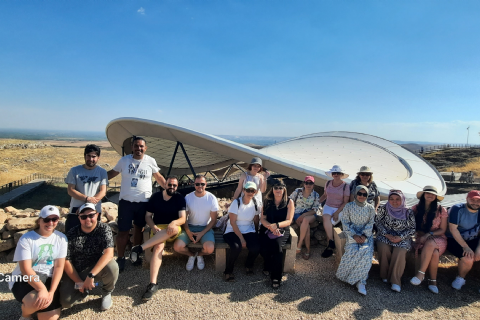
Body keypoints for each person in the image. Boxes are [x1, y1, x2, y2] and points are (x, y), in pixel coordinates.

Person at [107, 136, 166, 272]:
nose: (138, 148)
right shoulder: (124, 160)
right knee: (123, 231)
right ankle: (121, 258)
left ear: (145, 148)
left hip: (143, 202)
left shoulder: (150, 161)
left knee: (139, 229)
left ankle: (135, 255)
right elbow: (112, 173)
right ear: (132, 147)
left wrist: (170, 189)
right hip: (126, 202)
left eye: (141, 146)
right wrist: (97, 177)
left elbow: (159, 177)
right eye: (136, 146)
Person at [129, 176, 186, 301]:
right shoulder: (156, 197)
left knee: (174, 229)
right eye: (170, 185)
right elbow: (148, 216)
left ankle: (140, 248)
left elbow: (183, 218)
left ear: (177, 186)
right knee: (158, 246)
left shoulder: (179, 198)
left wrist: (174, 223)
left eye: (175, 186)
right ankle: (153, 284)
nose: (172, 187)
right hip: (158, 228)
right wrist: (153, 227)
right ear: (165, 185)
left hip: (173, 228)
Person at [9, 205, 67, 320]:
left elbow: (59, 267)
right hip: (26, 278)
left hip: (48, 278)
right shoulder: (27, 239)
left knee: (50, 317)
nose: (51, 223)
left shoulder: (61, 238)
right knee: (35, 301)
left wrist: (51, 291)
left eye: (54, 219)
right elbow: (25, 269)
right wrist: (42, 289)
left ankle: (40, 305)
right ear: (39, 220)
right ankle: (26, 315)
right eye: (47, 219)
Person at [60, 203, 118, 311]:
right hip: (77, 271)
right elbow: (66, 261)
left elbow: (109, 253)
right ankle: (84, 290)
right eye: (83, 216)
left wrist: (91, 276)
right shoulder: (72, 233)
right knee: (66, 302)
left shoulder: (104, 229)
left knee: (112, 266)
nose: (88, 219)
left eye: (91, 215)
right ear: (79, 218)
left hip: (95, 269)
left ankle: (107, 292)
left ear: (97, 214)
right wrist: (79, 281)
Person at [173, 175, 219, 271]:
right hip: (190, 226)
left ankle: (200, 255)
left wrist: (202, 233)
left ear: (206, 184)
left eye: (202, 184)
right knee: (177, 247)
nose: (200, 186)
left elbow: (214, 220)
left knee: (210, 249)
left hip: (205, 227)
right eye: (197, 184)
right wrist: (188, 232)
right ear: (194, 185)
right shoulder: (188, 197)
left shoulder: (211, 198)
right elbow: (184, 218)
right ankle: (191, 255)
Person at [336, 185, 376, 295]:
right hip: (351, 234)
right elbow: (345, 222)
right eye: (359, 193)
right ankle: (348, 276)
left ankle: (361, 281)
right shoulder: (348, 206)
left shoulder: (370, 208)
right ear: (356, 194)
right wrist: (354, 235)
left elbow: (370, 223)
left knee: (366, 252)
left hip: (365, 235)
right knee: (352, 250)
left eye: (364, 194)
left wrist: (364, 235)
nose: (361, 196)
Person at [375, 189, 415, 292]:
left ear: (402, 199)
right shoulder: (384, 209)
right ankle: (384, 275)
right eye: (391, 199)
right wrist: (386, 234)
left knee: (400, 251)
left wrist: (400, 237)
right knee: (383, 247)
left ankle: (395, 280)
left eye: (397, 199)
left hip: (402, 237)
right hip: (385, 235)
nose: (394, 201)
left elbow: (412, 228)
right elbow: (378, 223)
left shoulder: (408, 211)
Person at [409, 186, 448, 294]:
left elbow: (443, 229)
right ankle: (432, 282)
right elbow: (411, 225)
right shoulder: (415, 209)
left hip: (438, 238)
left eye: (432, 194)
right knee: (434, 253)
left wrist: (429, 234)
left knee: (431, 243)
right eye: (427, 193)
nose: (430, 195)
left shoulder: (441, 210)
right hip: (421, 239)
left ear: (436, 196)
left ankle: (421, 274)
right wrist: (420, 234)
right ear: (423, 195)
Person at [259, 179, 294, 288]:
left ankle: (276, 277)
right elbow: (263, 219)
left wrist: (277, 226)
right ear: (272, 189)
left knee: (278, 247)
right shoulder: (267, 201)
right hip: (267, 228)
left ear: (284, 189)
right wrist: (271, 227)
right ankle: (268, 264)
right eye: (276, 188)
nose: (278, 190)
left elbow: (289, 220)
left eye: (280, 188)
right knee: (263, 246)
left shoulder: (289, 202)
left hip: (282, 229)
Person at [223, 181, 261, 282]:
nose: (250, 192)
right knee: (236, 247)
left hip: (248, 229)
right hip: (232, 230)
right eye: (248, 190)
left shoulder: (256, 203)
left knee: (256, 247)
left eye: (252, 190)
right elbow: (233, 222)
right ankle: (228, 271)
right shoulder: (236, 202)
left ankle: (249, 265)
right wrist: (242, 239)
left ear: (255, 192)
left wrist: (256, 233)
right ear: (243, 190)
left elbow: (256, 219)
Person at [65, 144, 108, 233]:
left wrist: (89, 205)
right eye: (88, 156)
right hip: (75, 211)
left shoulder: (102, 172)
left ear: (98, 157)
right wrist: (87, 199)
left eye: (94, 156)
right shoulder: (74, 171)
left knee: (92, 240)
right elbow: (70, 190)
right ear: (84, 156)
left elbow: (103, 191)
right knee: (72, 238)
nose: (91, 159)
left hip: (94, 212)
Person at [446, 190, 480, 290]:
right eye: (472, 200)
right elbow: (453, 229)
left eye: (478, 200)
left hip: (473, 239)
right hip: (455, 239)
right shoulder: (457, 209)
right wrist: (466, 247)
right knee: (468, 257)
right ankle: (461, 278)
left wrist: (478, 249)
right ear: (467, 199)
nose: (475, 203)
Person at [319, 165, 350, 258]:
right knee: (326, 218)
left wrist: (337, 213)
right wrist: (317, 203)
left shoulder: (345, 186)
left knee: (330, 224)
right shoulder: (328, 183)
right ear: (332, 174)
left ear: (341, 174)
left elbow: (345, 202)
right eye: (334, 173)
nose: (336, 175)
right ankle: (331, 242)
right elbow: (325, 195)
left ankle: (329, 246)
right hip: (328, 205)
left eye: (338, 173)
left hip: (339, 208)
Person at [289, 176, 321, 260]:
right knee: (307, 229)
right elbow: (290, 201)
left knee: (306, 219)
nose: (308, 185)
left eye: (310, 183)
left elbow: (315, 209)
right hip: (297, 213)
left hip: (309, 214)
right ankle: (308, 250)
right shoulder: (297, 191)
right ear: (304, 183)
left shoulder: (315, 194)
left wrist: (304, 215)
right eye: (307, 183)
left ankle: (299, 244)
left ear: (313, 185)